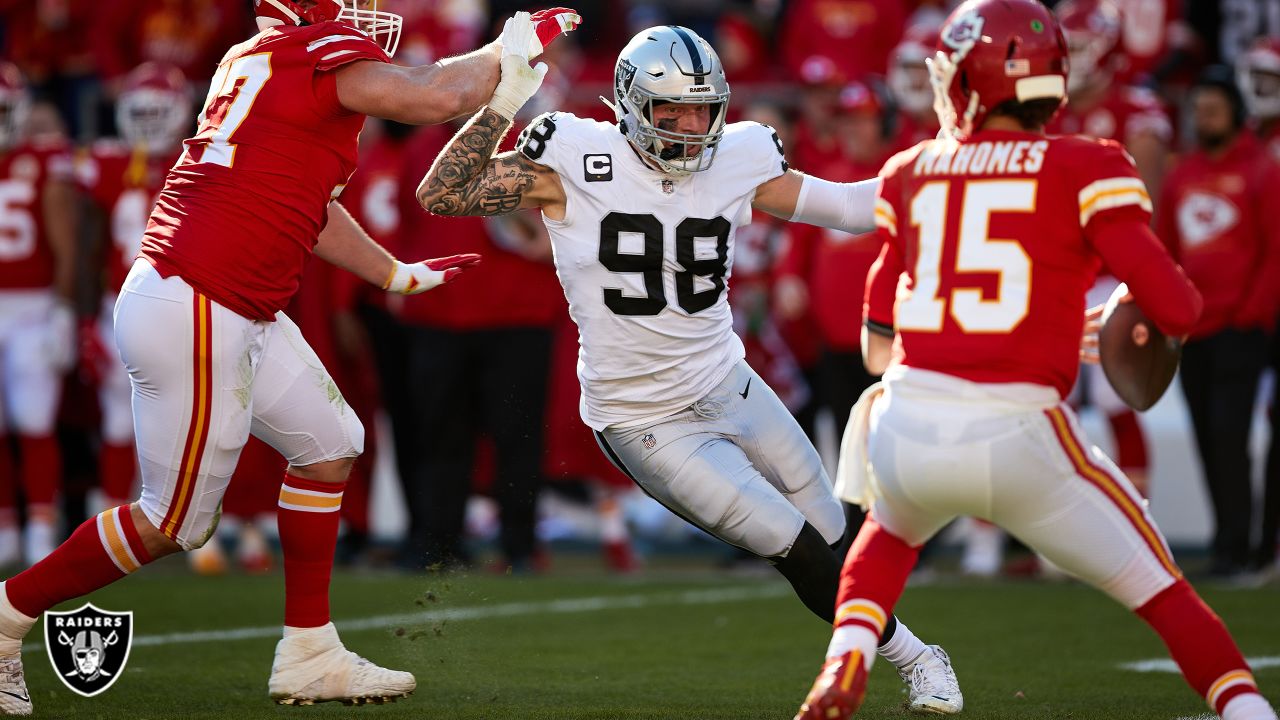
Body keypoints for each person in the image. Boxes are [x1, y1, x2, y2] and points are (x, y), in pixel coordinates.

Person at [0, 2, 582, 714]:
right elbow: (438, 96)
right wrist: (507, 45)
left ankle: (309, 652)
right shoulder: (311, 51)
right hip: (202, 299)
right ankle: (4, 618)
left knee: (331, 445)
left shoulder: (260, 60)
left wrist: (390, 272)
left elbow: (313, 201)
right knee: (174, 522)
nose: (370, 11)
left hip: (226, 300)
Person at [419, 24, 962, 714]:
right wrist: (501, 105)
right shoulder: (574, 157)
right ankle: (918, 658)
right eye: (671, 109)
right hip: (643, 417)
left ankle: (868, 651)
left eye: (702, 108)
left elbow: (854, 207)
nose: (689, 125)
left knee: (831, 534)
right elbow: (443, 193)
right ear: (628, 104)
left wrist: (950, 168)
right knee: (784, 540)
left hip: (727, 381)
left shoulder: (736, 159)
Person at [795, 2, 1277, 719]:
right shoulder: (1089, 163)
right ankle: (1246, 710)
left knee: (888, 534)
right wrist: (1099, 321)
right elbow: (1178, 308)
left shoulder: (911, 169)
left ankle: (844, 662)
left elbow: (878, 336)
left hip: (909, 418)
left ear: (969, 81)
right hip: (1022, 426)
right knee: (1163, 590)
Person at [1157, 66, 1280, 578]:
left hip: (1240, 329)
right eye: (1198, 110)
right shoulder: (1182, 173)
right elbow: (1163, 247)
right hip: (1192, 332)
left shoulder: (1263, 171)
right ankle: (1227, 542)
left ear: (1236, 113)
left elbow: (1274, 252)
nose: (1204, 119)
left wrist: (1251, 314)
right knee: (1208, 437)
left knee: (1231, 436)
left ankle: (1247, 544)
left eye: (1213, 110)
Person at [76, 62, 191, 512]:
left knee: (176, 417)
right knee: (124, 416)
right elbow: (88, 244)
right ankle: (112, 514)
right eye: (140, 114)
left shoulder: (194, 157)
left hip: (178, 302)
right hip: (121, 303)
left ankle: (167, 518)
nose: (149, 125)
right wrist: (83, 320)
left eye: (156, 113)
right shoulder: (106, 163)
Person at [0, 62, 77, 568]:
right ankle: (6, 526)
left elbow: (66, 246)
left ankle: (41, 528)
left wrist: (65, 313)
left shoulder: (45, 160)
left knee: (35, 421)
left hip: (33, 306)